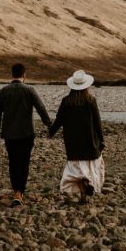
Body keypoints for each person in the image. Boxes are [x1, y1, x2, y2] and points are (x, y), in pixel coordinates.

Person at [0, 63, 51, 206]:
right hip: (26, 133)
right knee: (24, 162)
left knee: (13, 162)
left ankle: (16, 191)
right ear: (24, 75)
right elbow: (41, 108)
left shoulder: (3, 91)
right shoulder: (30, 89)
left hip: (9, 134)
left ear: (12, 74)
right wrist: (49, 124)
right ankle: (20, 191)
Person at [48, 70, 105, 202]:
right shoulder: (91, 101)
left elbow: (59, 120)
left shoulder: (66, 101)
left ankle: (83, 190)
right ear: (86, 85)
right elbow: (97, 122)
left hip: (73, 142)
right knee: (89, 166)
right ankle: (87, 184)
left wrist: (51, 132)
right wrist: (102, 140)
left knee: (76, 168)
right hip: (90, 141)